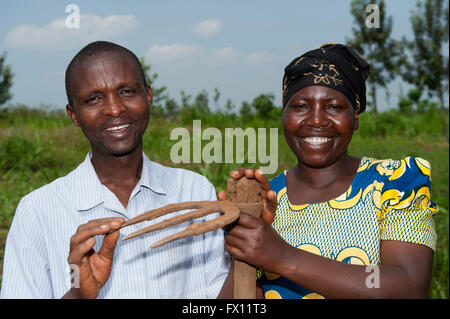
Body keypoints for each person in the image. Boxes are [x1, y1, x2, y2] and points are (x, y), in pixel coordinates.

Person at [1, 41, 233, 299]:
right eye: (93, 99)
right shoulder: (37, 211)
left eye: (126, 91)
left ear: (148, 96)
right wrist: (79, 295)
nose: (114, 109)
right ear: (74, 114)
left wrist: (247, 255)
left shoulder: (194, 191)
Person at [224, 43, 438, 299]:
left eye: (334, 107)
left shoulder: (393, 184)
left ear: (355, 117)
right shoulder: (268, 199)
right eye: (301, 106)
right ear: (284, 116)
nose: (316, 120)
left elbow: (409, 287)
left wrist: (283, 256)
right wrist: (244, 241)